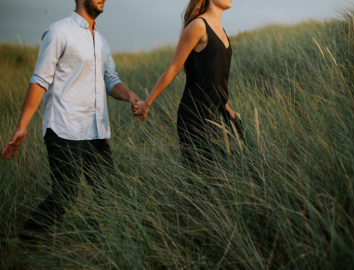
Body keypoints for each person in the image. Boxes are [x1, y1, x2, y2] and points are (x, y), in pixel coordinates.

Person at [1, 0, 140, 242]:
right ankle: (23, 243)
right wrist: (22, 126)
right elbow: (40, 80)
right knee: (65, 194)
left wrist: (129, 95)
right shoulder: (58, 32)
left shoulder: (102, 41)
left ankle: (103, 244)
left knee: (108, 193)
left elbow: (110, 80)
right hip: (64, 128)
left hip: (96, 131)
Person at [134, 0, 241, 170]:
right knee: (203, 179)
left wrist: (226, 107)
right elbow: (174, 68)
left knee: (229, 173)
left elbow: (213, 78)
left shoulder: (221, 30)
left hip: (218, 114)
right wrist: (147, 103)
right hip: (196, 116)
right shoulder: (198, 25)